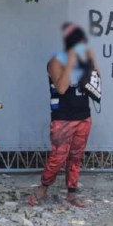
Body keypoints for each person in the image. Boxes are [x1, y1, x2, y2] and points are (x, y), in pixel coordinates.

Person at [28, 23, 98, 208]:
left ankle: (72, 193)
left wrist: (91, 62)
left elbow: (96, 83)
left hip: (83, 115)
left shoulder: (84, 61)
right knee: (58, 156)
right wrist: (71, 62)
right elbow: (61, 87)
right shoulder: (56, 61)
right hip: (63, 117)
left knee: (76, 156)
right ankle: (43, 188)